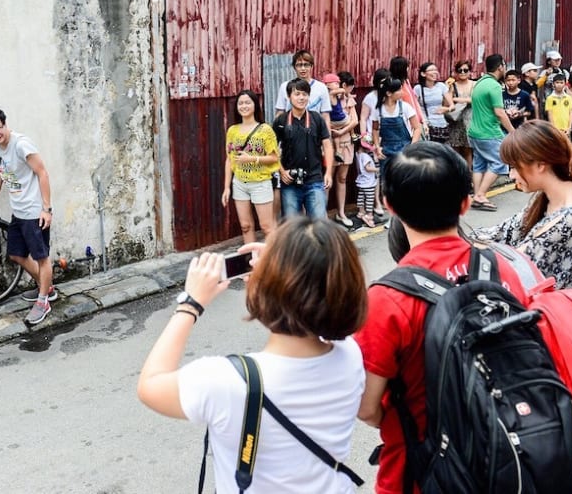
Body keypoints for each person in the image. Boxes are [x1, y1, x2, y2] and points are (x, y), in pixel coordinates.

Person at [137, 216, 368, 494]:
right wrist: (281, 268)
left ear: (263, 288)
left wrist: (191, 303)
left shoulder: (226, 381)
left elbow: (150, 384)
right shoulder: (351, 355)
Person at [355, 142, 529, 494]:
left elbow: (366, 407)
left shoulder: (387, 299)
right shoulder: (503, 270)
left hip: (419, 472)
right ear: (465, 204)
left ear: (389, 206)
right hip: (501, 459)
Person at [473, 120, 572, 494]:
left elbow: (516, 264)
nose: (511, 172)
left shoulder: (571, 215)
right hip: (563, 336)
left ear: (537, 164)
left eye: (515, 164)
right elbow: (501, 232)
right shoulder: (553, 196)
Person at [0, 105, 54, 326]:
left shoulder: (21, 144)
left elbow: (42, 172)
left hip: (34, 212)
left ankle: (43, 300)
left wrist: (46, 209)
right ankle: (47, 288)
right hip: (19, 212)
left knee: (41, 258)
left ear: (4, 123)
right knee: (16, 254)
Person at [222, 90, 279, 243]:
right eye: (241, 103)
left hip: (260, 183)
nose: (244, 106)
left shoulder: (265, 130)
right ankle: (251, 260)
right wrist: (227, 187)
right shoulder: (232, 131)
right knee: (246, 226)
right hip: (239, 184)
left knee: (267, 226)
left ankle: (273, 262)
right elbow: (229, 159)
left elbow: (274, 158)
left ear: (255, 105)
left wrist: (252, 159)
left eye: (248, 102)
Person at [272, 79, 333, 218]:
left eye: (304, 94)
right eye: (297, 94)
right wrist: (281, 171)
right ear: (289, 97)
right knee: (293, 227)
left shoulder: (316, 118)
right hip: (290, 182)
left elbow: (327, 146)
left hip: (315, 179)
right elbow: (271, 149)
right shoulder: (281, 121)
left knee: (319, 224)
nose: (301, 98)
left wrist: (328, 172)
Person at [467, 53, 515, 211]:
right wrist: (512, 131)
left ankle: (476, 195)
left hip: (474, 132)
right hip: (489, 132)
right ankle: (481, 195)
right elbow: (500, 113)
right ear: (500, 67)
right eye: (504, 65)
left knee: (479, 164)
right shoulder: (494, 86)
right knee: (500, 161)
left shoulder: (479, 83)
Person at [325, 72, 358, 227]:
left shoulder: (348, 98)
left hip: (346, 141)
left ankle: (341, 212)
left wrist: (341, 131)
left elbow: (355, 120)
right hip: (330, 142)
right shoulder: (326, 98)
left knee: (342, 178)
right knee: (327, 179)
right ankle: (322, 214)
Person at [359, 68, 389, 219]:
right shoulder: (370, 98)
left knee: (387, 170)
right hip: (373, 138)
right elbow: (363, 118)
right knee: (375, 172)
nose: (384, 85)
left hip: (389, 138)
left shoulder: (391, 97)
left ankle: (385, 200)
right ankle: (376, 202)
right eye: (382, 82)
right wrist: (365, 137)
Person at [371, 76, 421, 165]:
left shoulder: (405, 107)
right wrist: (377, 147)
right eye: (399, 90)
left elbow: (417, 128)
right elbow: (375, 129)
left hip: (405, 151)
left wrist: (412, 147)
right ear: (389, 93)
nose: (402, 92)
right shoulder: (378, 110)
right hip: (386, 151)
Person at [413, 61, 454, 143]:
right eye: (431, 70)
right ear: (423, 74)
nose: (435, 72)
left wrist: (446, 109)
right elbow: (414, 107)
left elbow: (452, 106)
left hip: (441, 125)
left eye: (435, 70)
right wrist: (422, 123)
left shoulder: (441, 86)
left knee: (440, 152)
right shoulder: (418, 88)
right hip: (426, 125)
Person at [446, 59, 475, 169]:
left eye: (465, 70)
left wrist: (457, 99)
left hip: (470, 119)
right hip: (456, 120)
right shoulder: (452, 85)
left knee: (468, 150)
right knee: (456, 150)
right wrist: (448, 90)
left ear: (470, 72)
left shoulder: (475, 84)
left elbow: (475, 100)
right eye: (460, 70)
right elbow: (447, 103)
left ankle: (468, 175)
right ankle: (457, 175)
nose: (463, 73)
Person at [354, 139, 378, 228]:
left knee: (361, 197)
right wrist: (377, 169)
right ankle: (369, 215)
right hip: (369, 182)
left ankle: (361, 212)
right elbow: (367, 168)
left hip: (361, 181)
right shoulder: (365, 156)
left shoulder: (358, 154)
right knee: (369, 199)